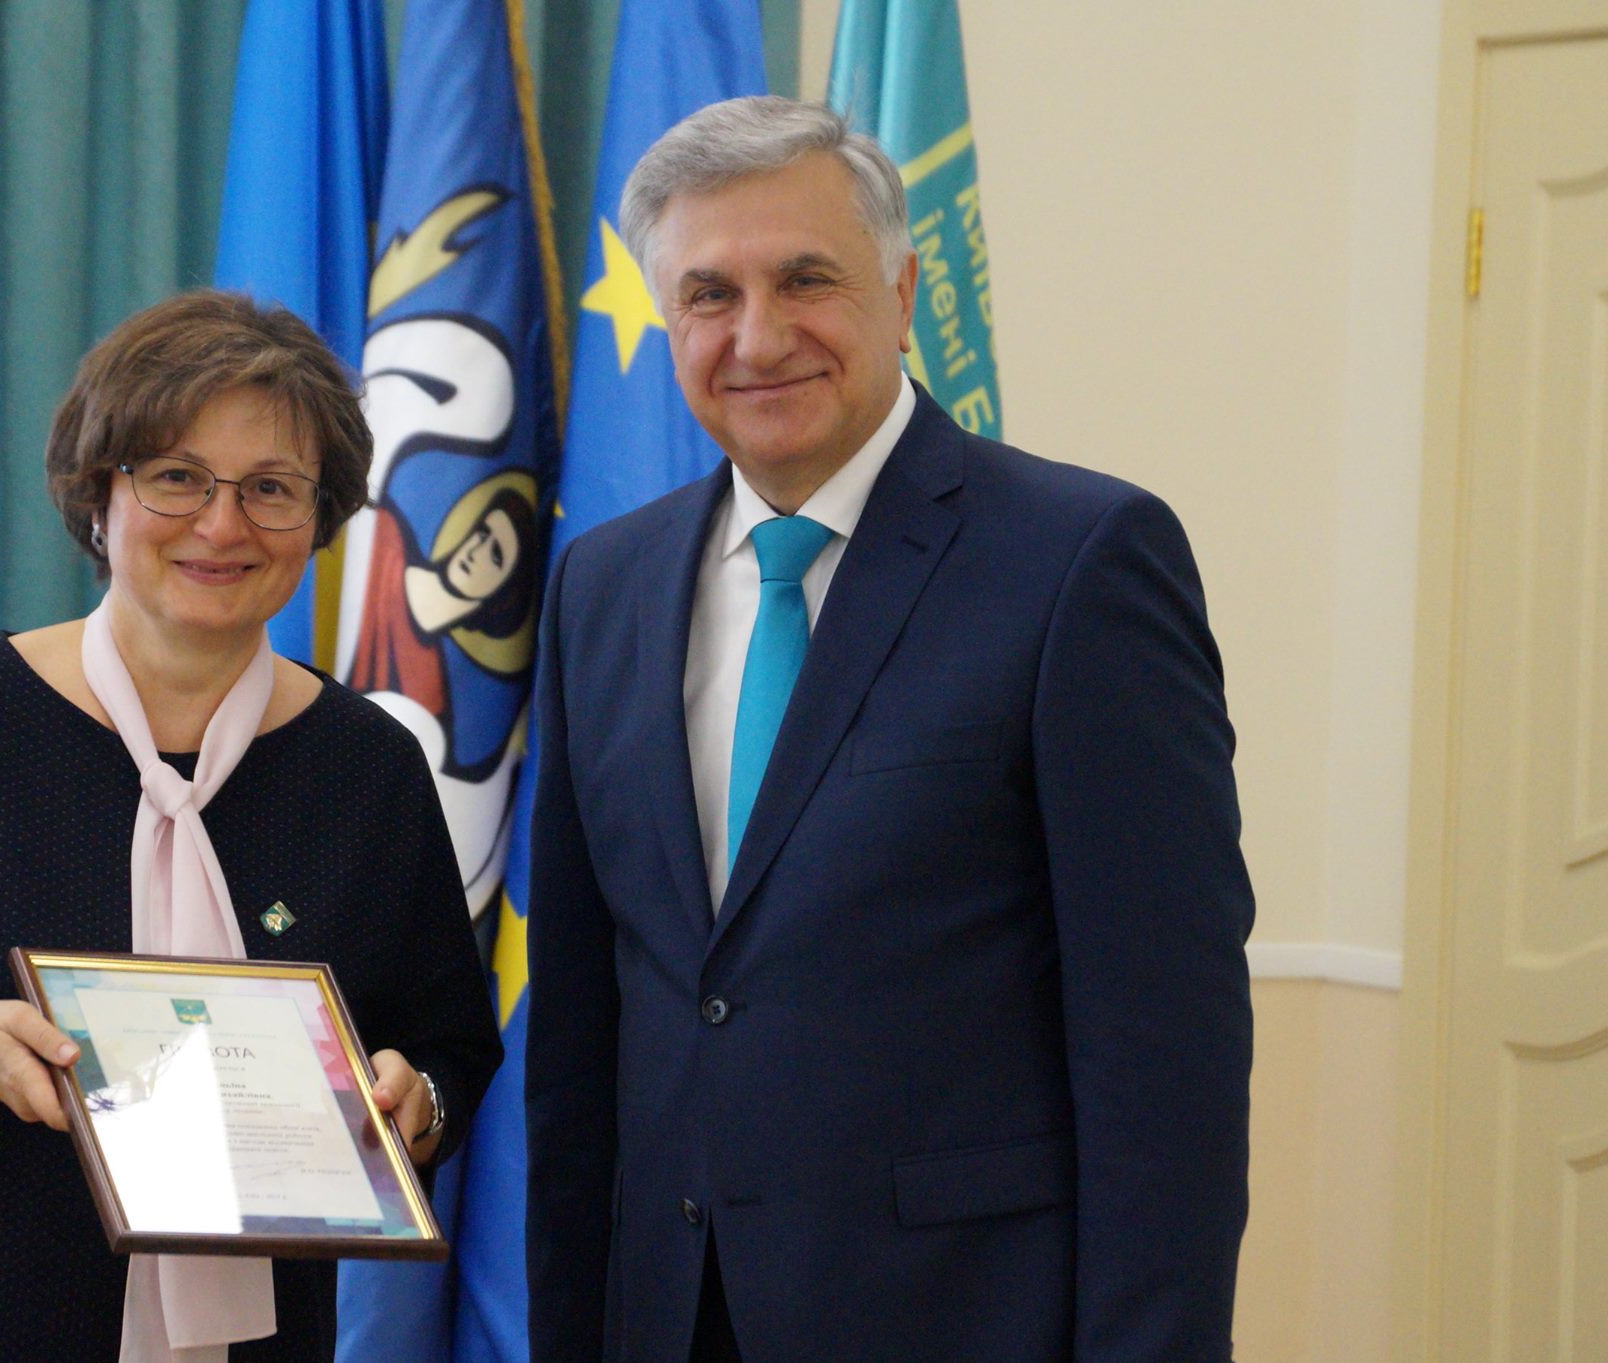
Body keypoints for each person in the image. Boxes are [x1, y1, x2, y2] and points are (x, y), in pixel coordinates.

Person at [524, 96, 1253, 1363]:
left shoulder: (1078, 562)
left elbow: (1163, 1063)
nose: (757, 336)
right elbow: (583, 1043)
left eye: (805, 279)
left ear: (903, 292)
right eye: (707, 294)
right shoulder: (601, 585)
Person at [0, 291, 503, 1363]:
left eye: (271, 489)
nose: (222, 525)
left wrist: (416, 1104)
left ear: (320, 520)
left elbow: (452, 1049)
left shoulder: (369, 767)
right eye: (176, 476)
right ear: (100, 495)